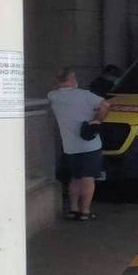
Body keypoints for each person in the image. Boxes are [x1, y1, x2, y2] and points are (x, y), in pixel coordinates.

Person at [48, 68, 111, 221]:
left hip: (70, 146)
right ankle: (85, 211)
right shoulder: (85, 95)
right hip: (90, 144)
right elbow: (106, 105)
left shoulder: (53, 96)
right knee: (88, 178)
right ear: (72, 79)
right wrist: (97, 119)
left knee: (75, 177)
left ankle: (74, 209)